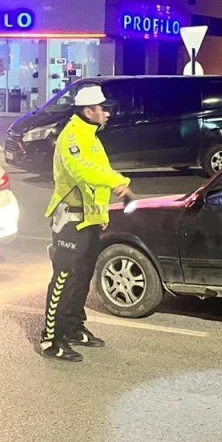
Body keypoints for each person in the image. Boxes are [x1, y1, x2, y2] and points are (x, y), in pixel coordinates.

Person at [40, 84, 134, 362]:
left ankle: (72, 328)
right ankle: (50, 339)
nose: (107, 113)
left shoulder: (92, 136)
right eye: (103, 108)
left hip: (89, 221)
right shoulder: (72, 137)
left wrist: (101, 215)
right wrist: (121, 183)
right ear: (88, 110)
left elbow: (99, 176)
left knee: (82, 278)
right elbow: (84, 172)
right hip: (70, 219)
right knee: (63, 278)